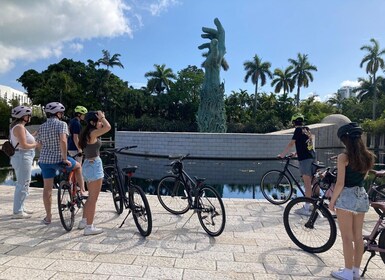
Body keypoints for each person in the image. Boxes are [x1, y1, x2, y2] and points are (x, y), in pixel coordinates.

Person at [329, 123, 374, 280]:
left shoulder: (343, 157)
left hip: (347, 198)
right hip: (361, 196)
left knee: (346, 237)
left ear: (345, 140)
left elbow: (340, 183)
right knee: (358, 236)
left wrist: (332, 201)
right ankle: (355, 271)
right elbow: (365, 176)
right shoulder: (368, 156)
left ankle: (347, 272)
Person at [35, 102, 85, 225]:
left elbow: (39, 144)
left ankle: (48, 217)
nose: (62, 115)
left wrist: (46, 153)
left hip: (45, 161)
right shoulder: (62, 124)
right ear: (58, 113)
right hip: (59, 159)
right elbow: (63, 140)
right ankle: (82, 191)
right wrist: (64, 158)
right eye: (61, 113)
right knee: (78, 167)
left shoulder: (42, 126)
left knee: (47, 190)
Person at [77, 111, 111, 235]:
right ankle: (89, 227)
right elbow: (108, 127)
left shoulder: (86, 133)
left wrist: (101, 118)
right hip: (94, 165)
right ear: (93, 122)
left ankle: (84, 221)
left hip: (87, 164)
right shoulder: (92, 133)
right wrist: (103, 117)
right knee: (93, 199)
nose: (101, 123)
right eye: (99, 121)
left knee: (90, 197)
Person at [278, 113, 316, 214]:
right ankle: (313, 204)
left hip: (305, 159)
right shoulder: (306, 129)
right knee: (312, 183)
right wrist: (296, 153)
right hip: (312, 156)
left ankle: (306, 209)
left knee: (307, 184)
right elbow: (308, 144)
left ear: (294, 122)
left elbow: (291, 143)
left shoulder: (298, 130)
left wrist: (282, 155)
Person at [9, 106, 37, 219]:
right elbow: (24, 145)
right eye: (28, 115)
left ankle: (21, 207)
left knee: (25, 182)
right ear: (23, 116)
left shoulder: (19, 127)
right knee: (22, 183)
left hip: (23, 156)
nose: (29, 117)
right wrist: (36, 145)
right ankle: (18, 211)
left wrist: (33, 136)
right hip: (22, 156)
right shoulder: (19, 127)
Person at [68, 105, 88, 194]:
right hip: (74, 148)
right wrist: (79, 149)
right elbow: (75, 137)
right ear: (79, 114)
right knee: (78, 168)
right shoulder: (76, 123)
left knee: (74, 167)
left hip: (70, 147)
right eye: (83, 114)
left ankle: (73, 185)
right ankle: (81, 189)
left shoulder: (71, 121)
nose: (84, 116)